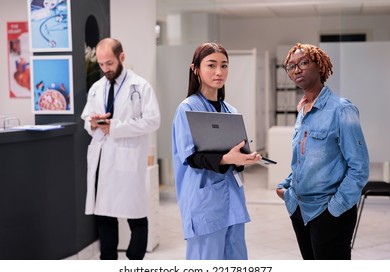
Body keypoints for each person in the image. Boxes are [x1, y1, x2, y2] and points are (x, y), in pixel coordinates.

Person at [276, 43, 369, 260]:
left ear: (320, 67)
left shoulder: (341, 109)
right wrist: (286, 188)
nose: (296, 69)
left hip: (328, 213)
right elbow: (303, 160)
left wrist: (334, 210)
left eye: (303, 63)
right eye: (291, 66)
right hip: (300, 209)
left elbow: (359, 168)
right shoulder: (302, 110)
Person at [172, 42, 261, 260]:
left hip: (233, 202)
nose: (219, 72)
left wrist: (244, 158)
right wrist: (225, 158)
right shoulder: (187, 108)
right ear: (196, 69)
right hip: (205, 204)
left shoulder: (231, 110)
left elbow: (235, 154)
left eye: (224, 66)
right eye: (211, 65)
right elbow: (191, 156)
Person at [81, 38, 160, 260]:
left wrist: (115, 127)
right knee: (105, 216)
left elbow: (153, 121)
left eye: (109, 63)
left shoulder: (141, 86)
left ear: (121, 57)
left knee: (136, 215)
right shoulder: (97, 88)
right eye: (101, 64)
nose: (106, 69)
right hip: (103, 160)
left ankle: (134, 264)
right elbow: (88, 121)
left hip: (128, 159)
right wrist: (94, 123)